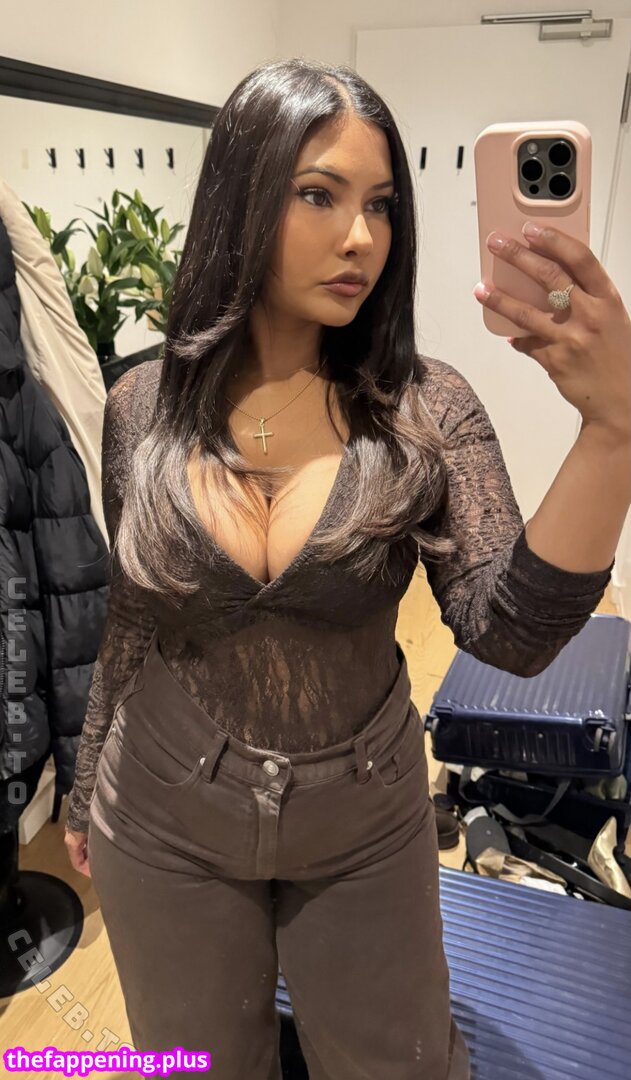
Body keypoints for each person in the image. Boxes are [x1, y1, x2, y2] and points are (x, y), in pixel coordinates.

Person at [64, 57, 619, 1079]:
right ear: (239, 199)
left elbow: (510, 634)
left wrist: (612, 431)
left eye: (381, 205)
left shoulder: (425, 409)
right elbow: (136, 615)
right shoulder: (140, 405)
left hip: (362, 814)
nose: (361, 236)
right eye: (318, 194)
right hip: (163, 805)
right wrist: (87, 771)